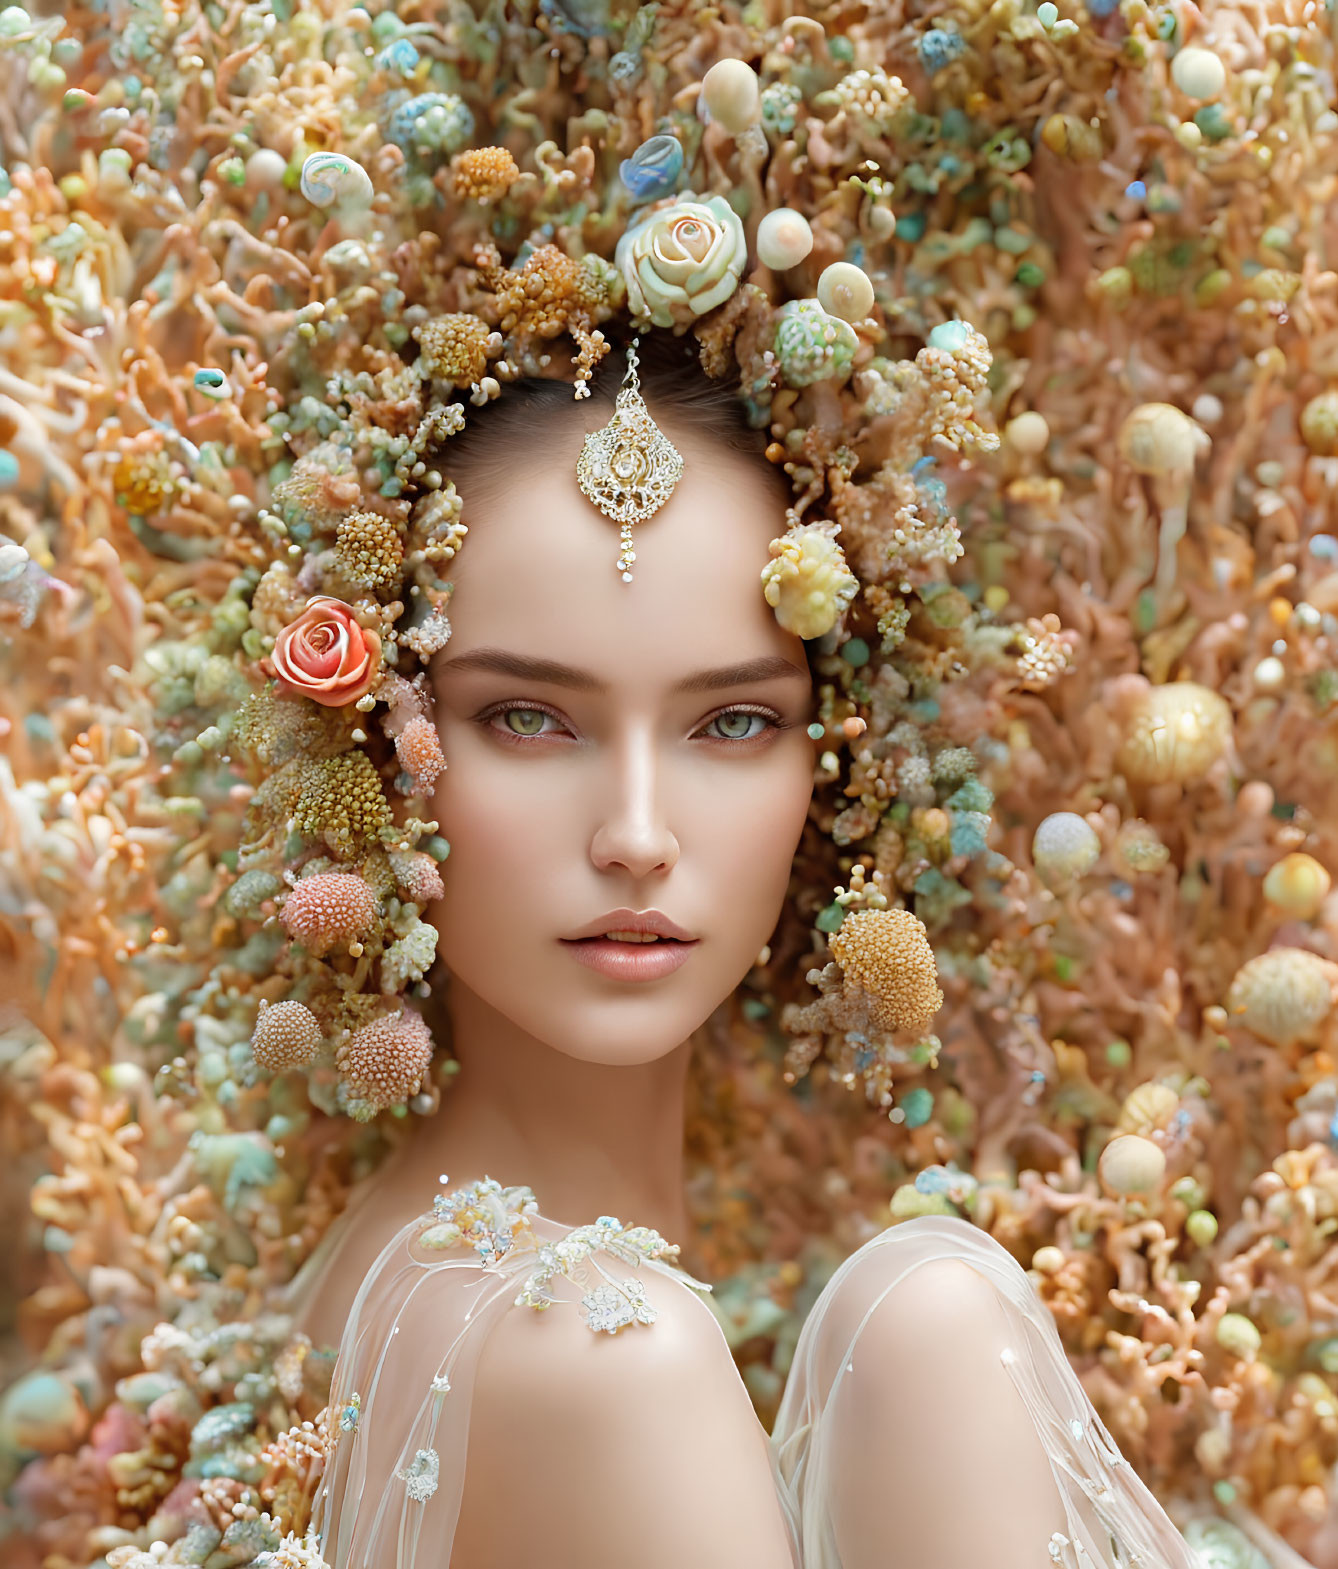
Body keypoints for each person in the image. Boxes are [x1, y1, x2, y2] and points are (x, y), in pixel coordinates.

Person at [287, 332, 1202, 1569]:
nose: (638, 837)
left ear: (840, 771)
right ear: (380, 748)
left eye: (732, 722)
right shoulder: (602, 1358)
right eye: (527, 718)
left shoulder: (431, 1284)